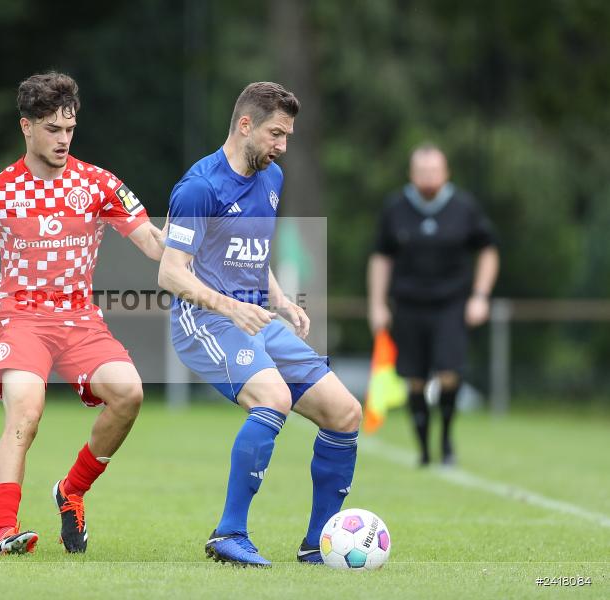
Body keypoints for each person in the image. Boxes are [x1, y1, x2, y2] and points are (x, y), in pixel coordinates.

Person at [0, 72, 165, 557]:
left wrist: (189, 250)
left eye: (69, 129)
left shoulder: (99, 183)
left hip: (80, 319)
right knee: (26, 412)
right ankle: (4, 533)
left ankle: (71, 491)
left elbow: (149, 240)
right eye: (52, 129)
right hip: (21, 319)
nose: (63, 139)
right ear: (27, 127)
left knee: (129, 394)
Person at [158, 82, 362, 568]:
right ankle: (228, 533)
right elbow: (169, 272)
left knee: (345, 412)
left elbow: (251, 253)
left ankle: (319, 546)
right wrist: (232, 308)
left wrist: (282, 301)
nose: (282, 146)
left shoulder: (271, 178)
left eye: (288, 136)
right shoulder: (199, 188)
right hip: (205, 320)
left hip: (257, 317)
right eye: (276, 134)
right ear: (245, 125)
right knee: (274, 398)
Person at [367, 143, 499, 466]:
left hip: (451, 304)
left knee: (450, 373)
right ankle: (424, 449)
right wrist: (377, 304)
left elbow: (488, 250)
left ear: (446, 173)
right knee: (415, 380)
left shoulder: (464, 207)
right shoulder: (396, 208)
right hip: (409, 305)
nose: (428, 178)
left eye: (434, 171)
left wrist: (480, 296)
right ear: (412, 174)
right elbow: (381, 258)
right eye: (422, 172)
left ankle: (446, 439)